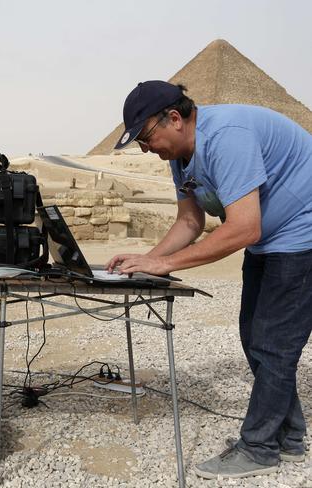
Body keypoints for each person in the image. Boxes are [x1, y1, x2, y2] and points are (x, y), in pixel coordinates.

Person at [106, 80, 312, 479]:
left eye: (146, 138)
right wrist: (148, 259)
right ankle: (289, 437)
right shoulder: (180, 154)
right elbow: (190, 220)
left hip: (302, 235)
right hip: (271, 240)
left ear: (176, 118)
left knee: (274, 343)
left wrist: (168, 266)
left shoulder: (226, 137)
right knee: (254, 335)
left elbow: (244, 229)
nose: (146, 149)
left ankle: (260, 447)